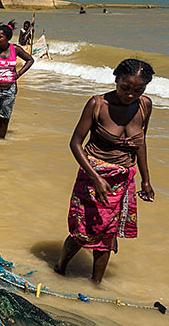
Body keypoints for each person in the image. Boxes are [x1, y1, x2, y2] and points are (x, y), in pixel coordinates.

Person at [55, 59, 155, 283]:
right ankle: (59, 269)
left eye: (138, 90)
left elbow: (140, 143)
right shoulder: (97, 104)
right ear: (115, 78)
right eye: (125, 88)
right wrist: (96, 177)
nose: (130, 95)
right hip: (92, 176)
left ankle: (96, 285)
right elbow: (75, 143)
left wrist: (146, 180)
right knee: (84, 229)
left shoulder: (144, 105)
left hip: (122, 179)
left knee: (107, 235)